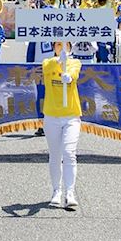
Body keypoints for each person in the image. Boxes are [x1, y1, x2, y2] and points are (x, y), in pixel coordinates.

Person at [41, 40, 82, 209]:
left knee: (69, 152)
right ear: (54, 48)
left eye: (65, 45)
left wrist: (69, 76)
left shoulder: (75, 62)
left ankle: (70, 192)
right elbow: (48, 67)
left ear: (71, 47)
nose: (62, 47)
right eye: (58, 45)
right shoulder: (47, 62)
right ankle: (56, 191)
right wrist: (59, 61)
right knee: (55, 154)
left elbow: (74, 73)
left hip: (71, 115)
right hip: (51, 115)